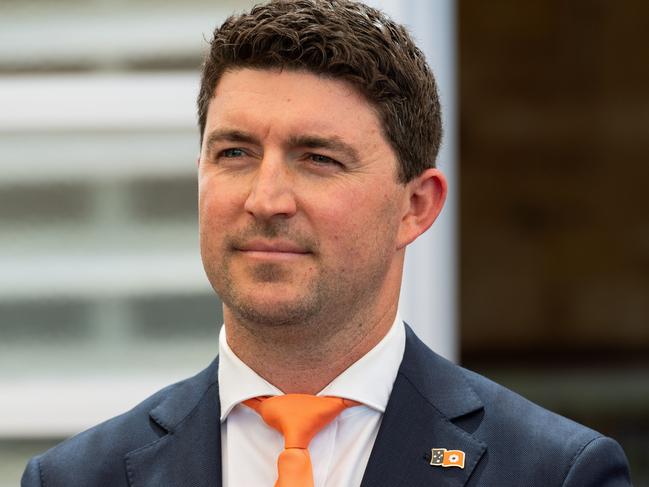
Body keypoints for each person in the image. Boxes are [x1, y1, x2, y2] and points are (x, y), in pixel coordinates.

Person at [22, 1, 632, 486]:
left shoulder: (553, 473)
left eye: (318, 158)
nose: (266, 199)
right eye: (235, 153)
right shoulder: (77, 477)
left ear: (415, 207)